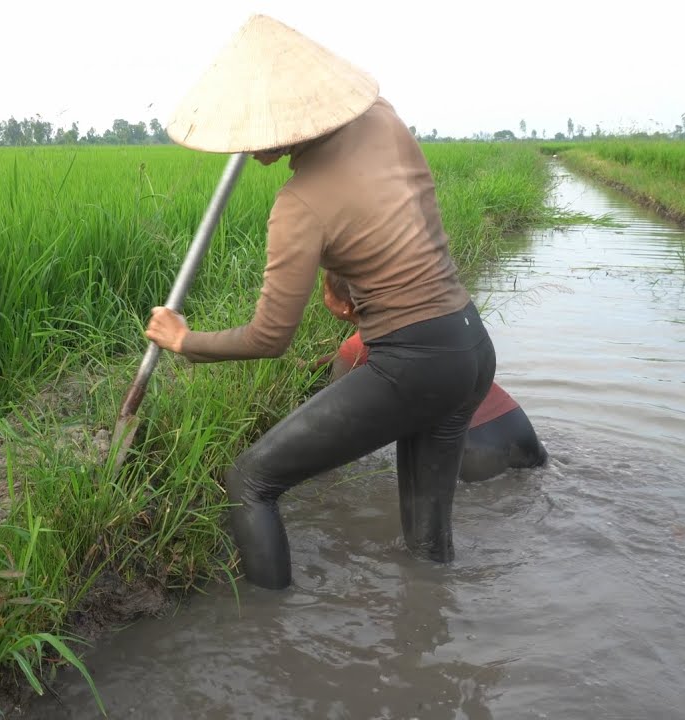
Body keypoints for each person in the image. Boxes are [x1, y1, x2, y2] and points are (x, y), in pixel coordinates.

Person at [144, 14, 498, 590]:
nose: (250, 144)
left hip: (411, 364)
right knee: (428, 546)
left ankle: (271, 637)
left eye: (257, 129)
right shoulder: (383, 119)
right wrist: (341, 276)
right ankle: (433, 641)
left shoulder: (299, 204)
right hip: (468, 347)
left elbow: (269, 338)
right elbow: (387, 211)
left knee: (249, 482)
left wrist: (184, 341)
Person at [315, 269, 548, 483]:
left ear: (345, 305)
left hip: (472, 449)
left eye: (325, 290)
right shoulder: (423, 323)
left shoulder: (355, 348)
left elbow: (336, 422)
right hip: (520, 431)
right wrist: (313, 365)